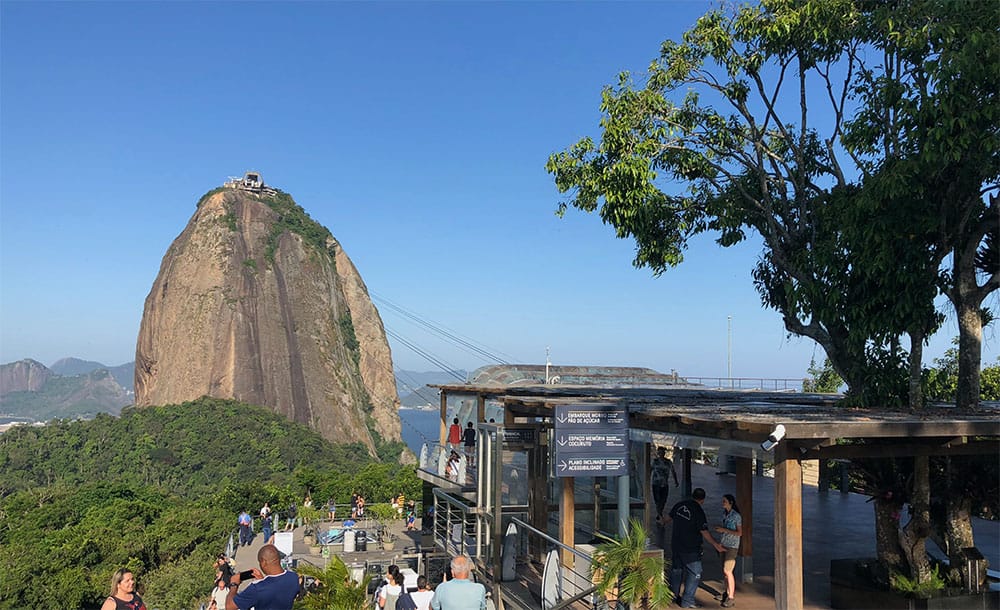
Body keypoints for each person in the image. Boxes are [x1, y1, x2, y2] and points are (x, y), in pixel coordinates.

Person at [665, 488, 725, 609]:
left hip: (676, 545)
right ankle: (687, 601)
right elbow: (704, 531)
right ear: (702, 500)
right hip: (691, 548)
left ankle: (672, 596)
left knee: (677, 571)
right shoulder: (698, 512)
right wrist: (715, 544)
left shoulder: (679, 505)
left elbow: (668, 518)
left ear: (692, 496)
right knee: (695, 572)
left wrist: (662, 521)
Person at [226, 543, 299, 610]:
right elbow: (275, 589)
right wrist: (262, 580)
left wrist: (234, 584)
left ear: (263, 562)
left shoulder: (256, 588)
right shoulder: (293, 577)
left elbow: (229, 606)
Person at [714, 494, 743, 608]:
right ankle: (726, 592)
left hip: (732, 546)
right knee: (724, 571)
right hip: (724, 543)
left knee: (728, 570)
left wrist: (724, 530)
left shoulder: (736, 516)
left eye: (725, 501)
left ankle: (731, 597)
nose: (723, 503)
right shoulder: (725, 514)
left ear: (730, 502)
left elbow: (739, 533)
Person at [651, 446, 679, 524]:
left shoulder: (668, 462)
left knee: (663, 500)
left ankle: (660, 513)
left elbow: (673, 471)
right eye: (659, 453)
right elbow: (650, 470)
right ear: (658, 453)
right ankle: (660, 516)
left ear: (664, 453)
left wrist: (675, 481)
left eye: (662, 452)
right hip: (656, 484)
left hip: (664, 484)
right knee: (657, 500)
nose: (661, 454)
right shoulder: (655, 462)